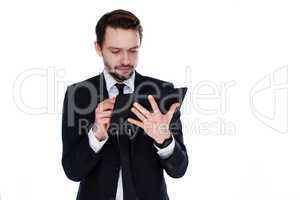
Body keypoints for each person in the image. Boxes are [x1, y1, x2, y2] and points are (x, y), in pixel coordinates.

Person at [61, 9, 188, 200]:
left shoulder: (162, 92)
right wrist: (95, 135)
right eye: (115, 51)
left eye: (133, 50)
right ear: (98, 48)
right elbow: (72, 171)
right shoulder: (77, 95)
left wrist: (165, 140)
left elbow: (179, 169)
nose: (126, 60)